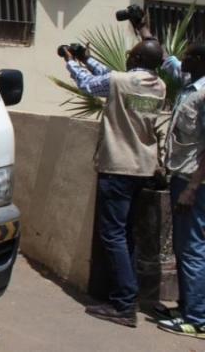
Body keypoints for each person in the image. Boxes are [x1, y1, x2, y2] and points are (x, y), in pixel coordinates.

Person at [62, 36, 166, 327]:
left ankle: (123, 306)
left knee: (113, 235)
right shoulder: (159, 86)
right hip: (142, 168)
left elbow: (89, 84)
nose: (128, 57)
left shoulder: (120, 82)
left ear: (135, 60)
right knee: (126, 236)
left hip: (118, 167)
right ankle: (127, 298)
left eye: (131, 54)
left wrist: (70, 60)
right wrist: (86, 58)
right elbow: (111, 77)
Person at [138, 21, 205, 338]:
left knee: (192, 249)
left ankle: (198, 319)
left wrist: (192, 188)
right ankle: (188, 305)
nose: (184, 60)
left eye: (190, 57)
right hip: (183, 176)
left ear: (201, 62)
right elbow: (167, 59)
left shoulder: (203, 94)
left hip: (195, 182)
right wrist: (144, 31)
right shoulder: (191, 84)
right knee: (185, 247)